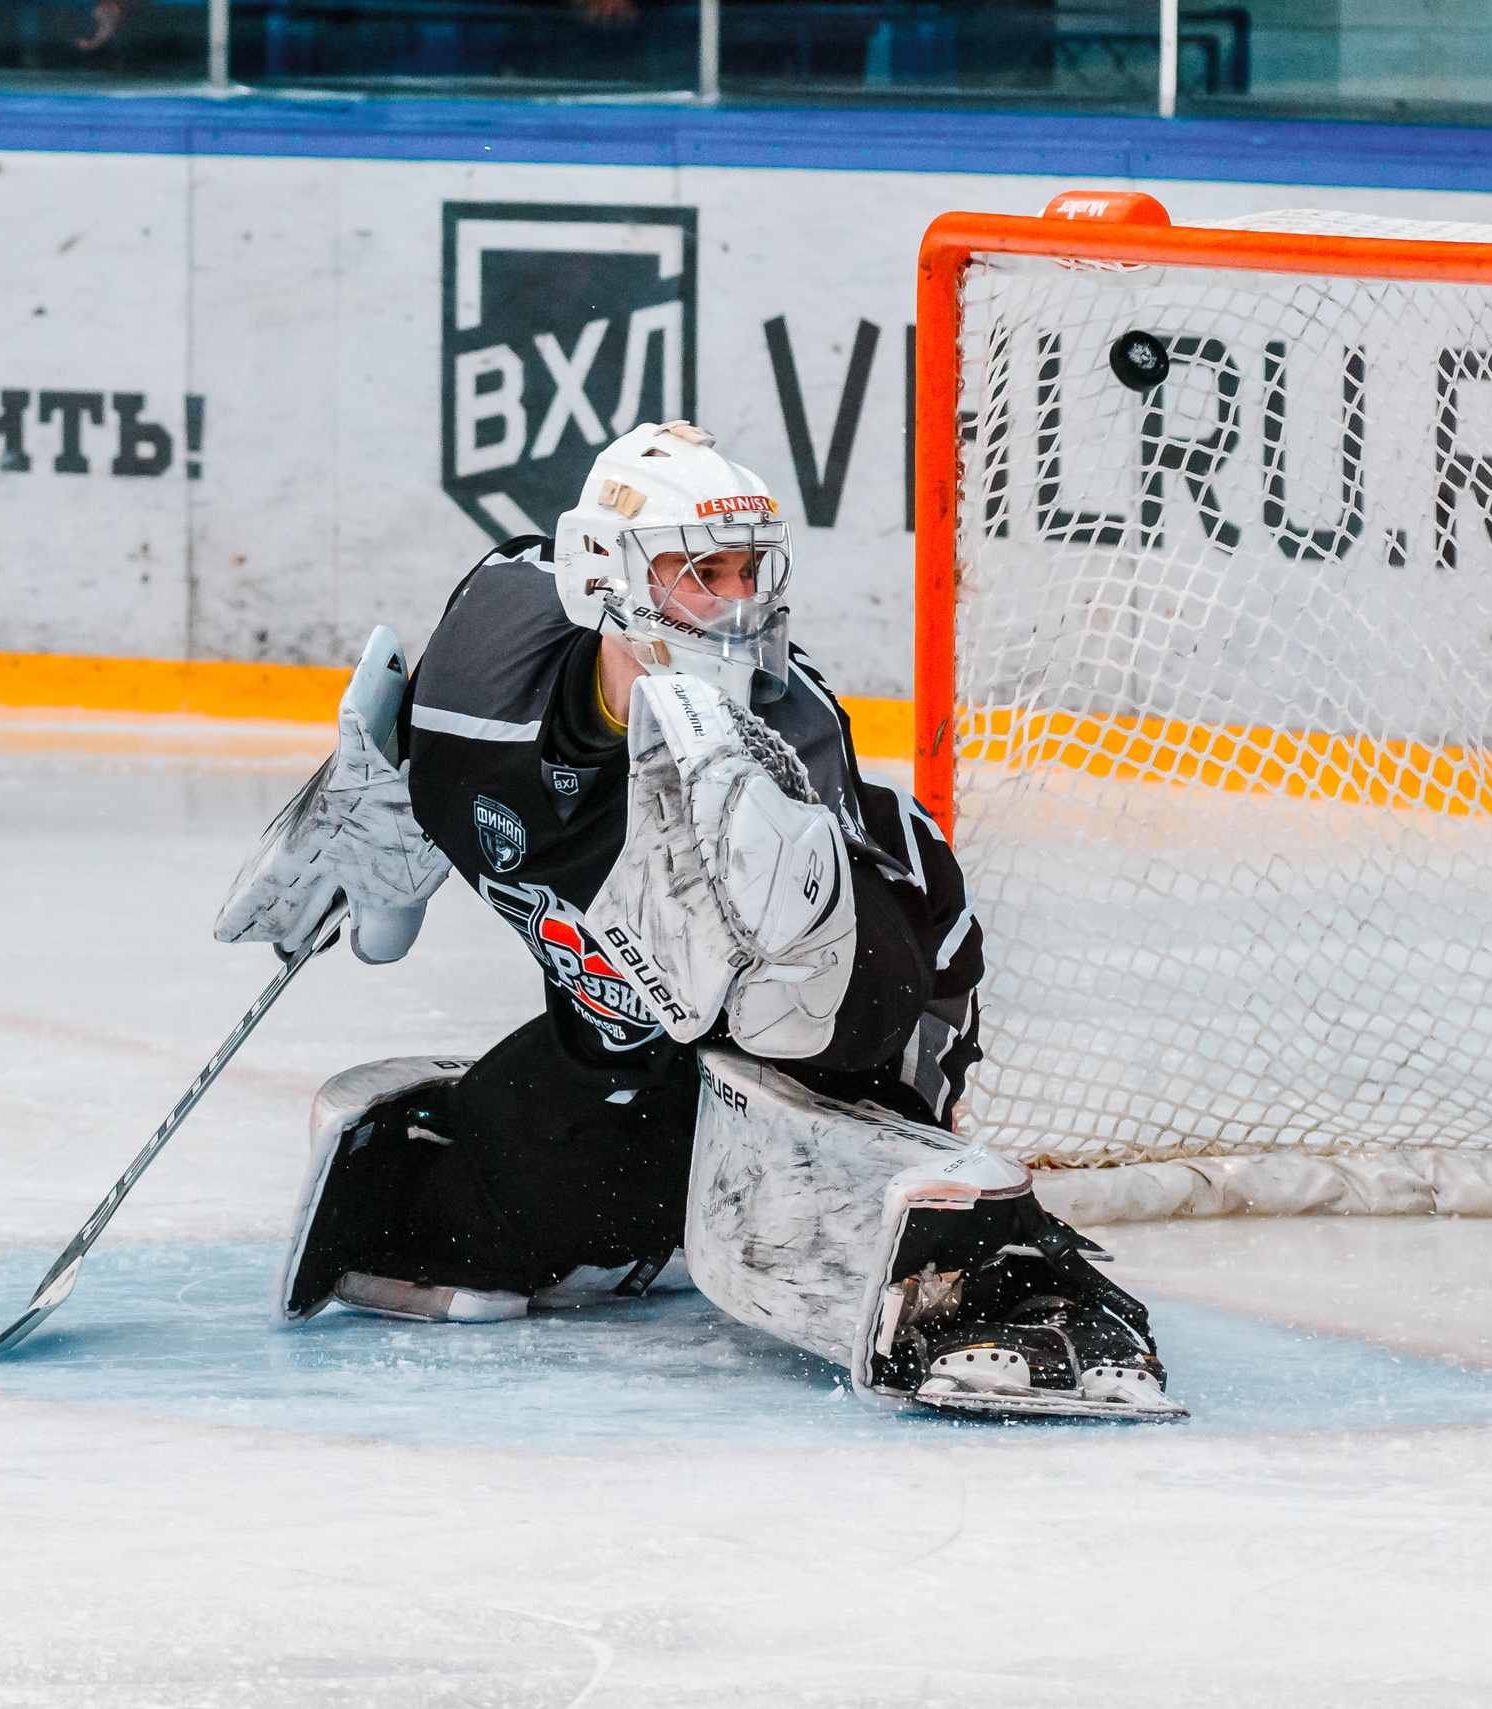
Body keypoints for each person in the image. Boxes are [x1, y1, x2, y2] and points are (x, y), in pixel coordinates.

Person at [215, 420, 1184, 1420]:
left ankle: (994, 1259)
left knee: (781, 1067)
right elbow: (420, 739)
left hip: (867, 998)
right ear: (603, 574)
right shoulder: (486, 659)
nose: (736, 602)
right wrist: (382, 810)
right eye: (700, 573)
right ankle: (655, 1211)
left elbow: (840, 997)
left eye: (748, 572)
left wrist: (769, 905)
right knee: (431, 1238)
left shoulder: (785, 723)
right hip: (629, 1030)